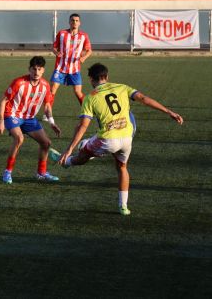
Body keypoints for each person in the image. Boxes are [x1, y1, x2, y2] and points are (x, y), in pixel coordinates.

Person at [53, 63, 183, 215]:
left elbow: (83, 126)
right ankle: (123, 206)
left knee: (83, 153)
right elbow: (143, 98)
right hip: (127, 138)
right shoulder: (122, 87)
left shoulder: (90, 98)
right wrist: (169, 111)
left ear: (90, 79)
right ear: (107, 77)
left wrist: (68, 149)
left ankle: (66, 162)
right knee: (122, 168)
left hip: (107, 141)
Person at [0, 56, 62, 185]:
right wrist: (1, 121)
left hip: (29, 119)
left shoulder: (45, 86)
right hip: (13, 115)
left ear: (43, 70)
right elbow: (4, 101)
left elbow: (47, 106)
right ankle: (7, 172)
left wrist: (51, 122)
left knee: (46, 143)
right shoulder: (19, 82)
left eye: (39, 69)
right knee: (19, 139)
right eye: (34, 69)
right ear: (29, 69)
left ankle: (41, 173)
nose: (36, 72)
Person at [48, 13, 92, 110]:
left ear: (79, 23)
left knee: (78, 91)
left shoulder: (83, 36)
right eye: (72, 20)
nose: (74, 22)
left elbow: (89, 50)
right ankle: (47, 113)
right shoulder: (62, 33)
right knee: (52, 89)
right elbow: (54, 47)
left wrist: (84, 58)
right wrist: (56, 52)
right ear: (69, 22)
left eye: (76, 21)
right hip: (60, 68)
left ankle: (87, 110)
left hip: (75, 69)